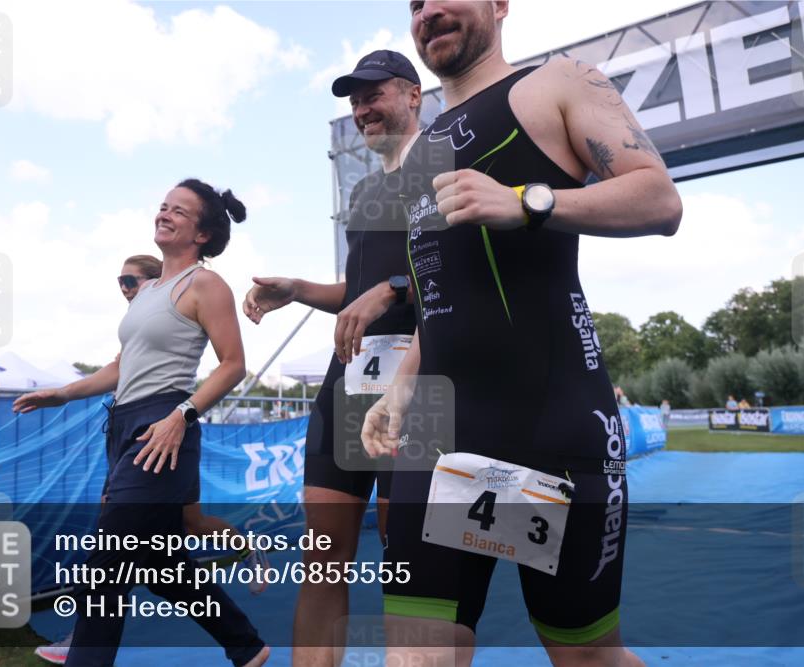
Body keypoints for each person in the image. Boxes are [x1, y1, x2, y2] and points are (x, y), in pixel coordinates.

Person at [361, 2, 682, 666]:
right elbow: (437, 289)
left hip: (551, 431)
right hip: (444, 443)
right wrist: (398, 390)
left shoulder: (557, 83)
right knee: (416, 655)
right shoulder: (421, 151)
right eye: (415, 2)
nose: (431, 10)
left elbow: (659, 199)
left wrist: (526, 201)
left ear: (501, 4)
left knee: (586, 656)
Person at [14, 179, 269, 667]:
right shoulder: (148, 289)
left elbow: (233, 363)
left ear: (202, 233)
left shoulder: (205, 284)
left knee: (108, 562)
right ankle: (246, 646)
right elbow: (120, 367)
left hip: (162, 428)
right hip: (124, 425)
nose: (165, 213)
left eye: (179, 210)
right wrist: (63, 393)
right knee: (159, 562)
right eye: (162, 206)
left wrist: (182, 414)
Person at [242, 49, 421, 665]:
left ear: (413, 96)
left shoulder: (448, 169)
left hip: (421, 385)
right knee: (322, 563)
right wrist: (296, 291)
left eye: (375, 95)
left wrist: (395, 288)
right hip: (347, 386)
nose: (362, 109)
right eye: (355, 100)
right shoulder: (367, 190)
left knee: (411, 569)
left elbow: (467, 277)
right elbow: (357, 293)